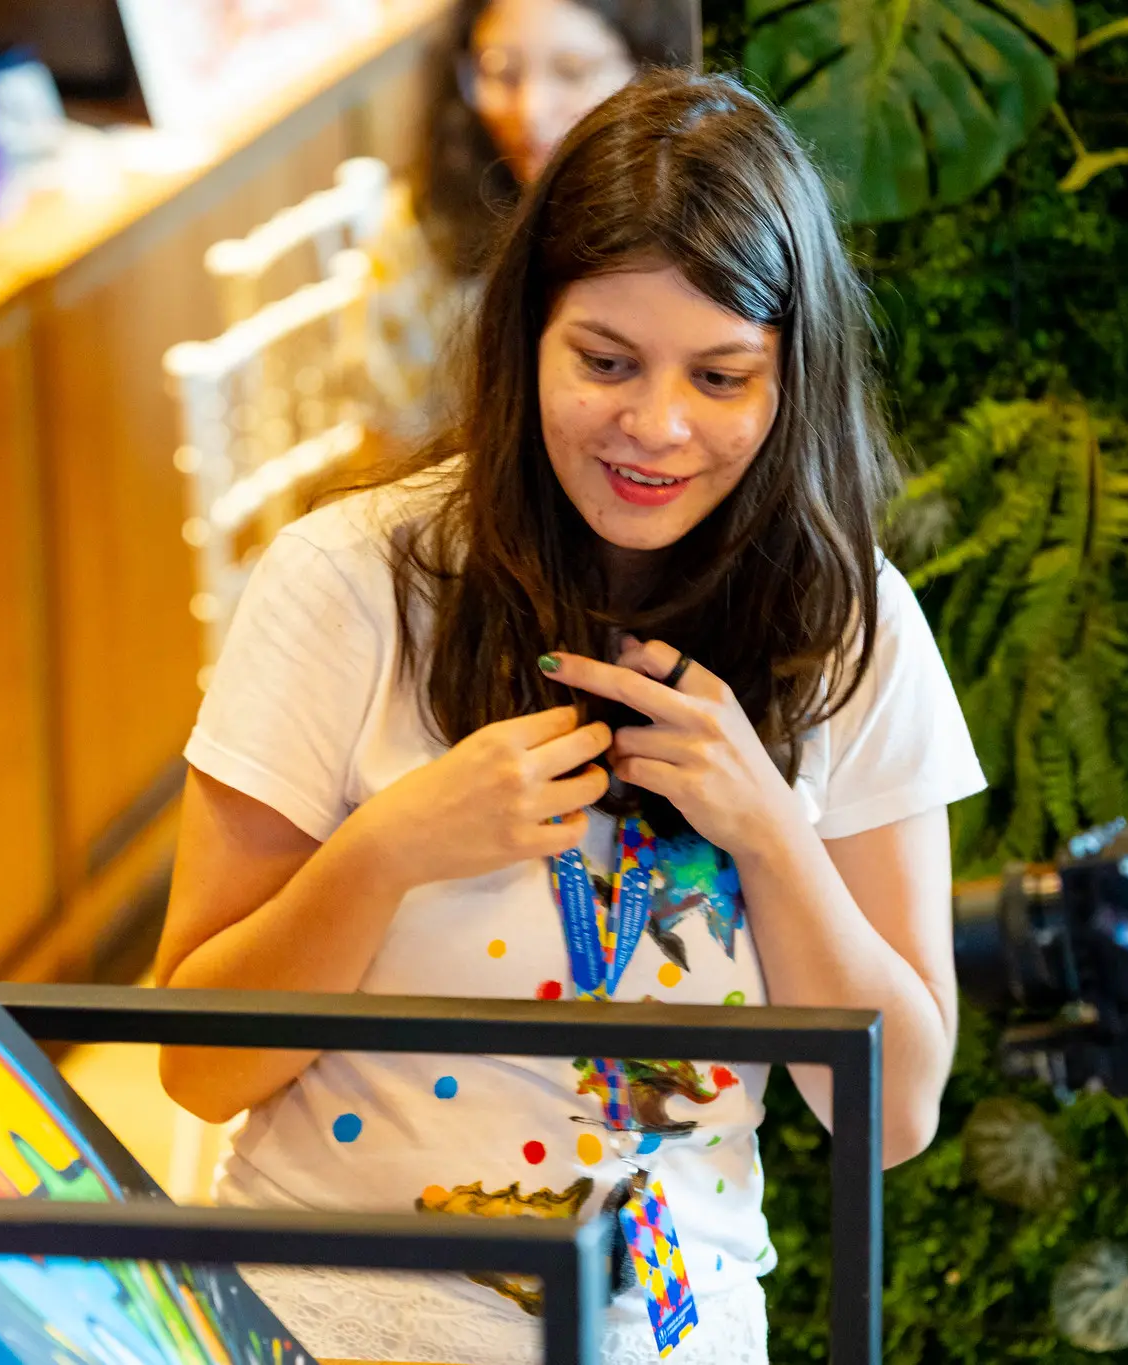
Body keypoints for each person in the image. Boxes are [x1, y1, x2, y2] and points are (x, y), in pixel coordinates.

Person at [156, 69, 985, 1365]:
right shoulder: (347, 582)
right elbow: (197, 1067)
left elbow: (896, 1114)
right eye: (605, 362)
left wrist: (770, 834)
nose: (656, 426)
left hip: (663, 1329)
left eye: (721, 376)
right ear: (523, 339)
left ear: (791, 380)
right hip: (322, 1310)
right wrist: (387, 850)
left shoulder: (851, 627)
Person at [365, 0, 693, 442]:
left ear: (649, 68)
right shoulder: (418, 230)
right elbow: (391, 434)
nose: (532, 111)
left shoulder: (695, 217)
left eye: (573, 72)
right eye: (502, 73)